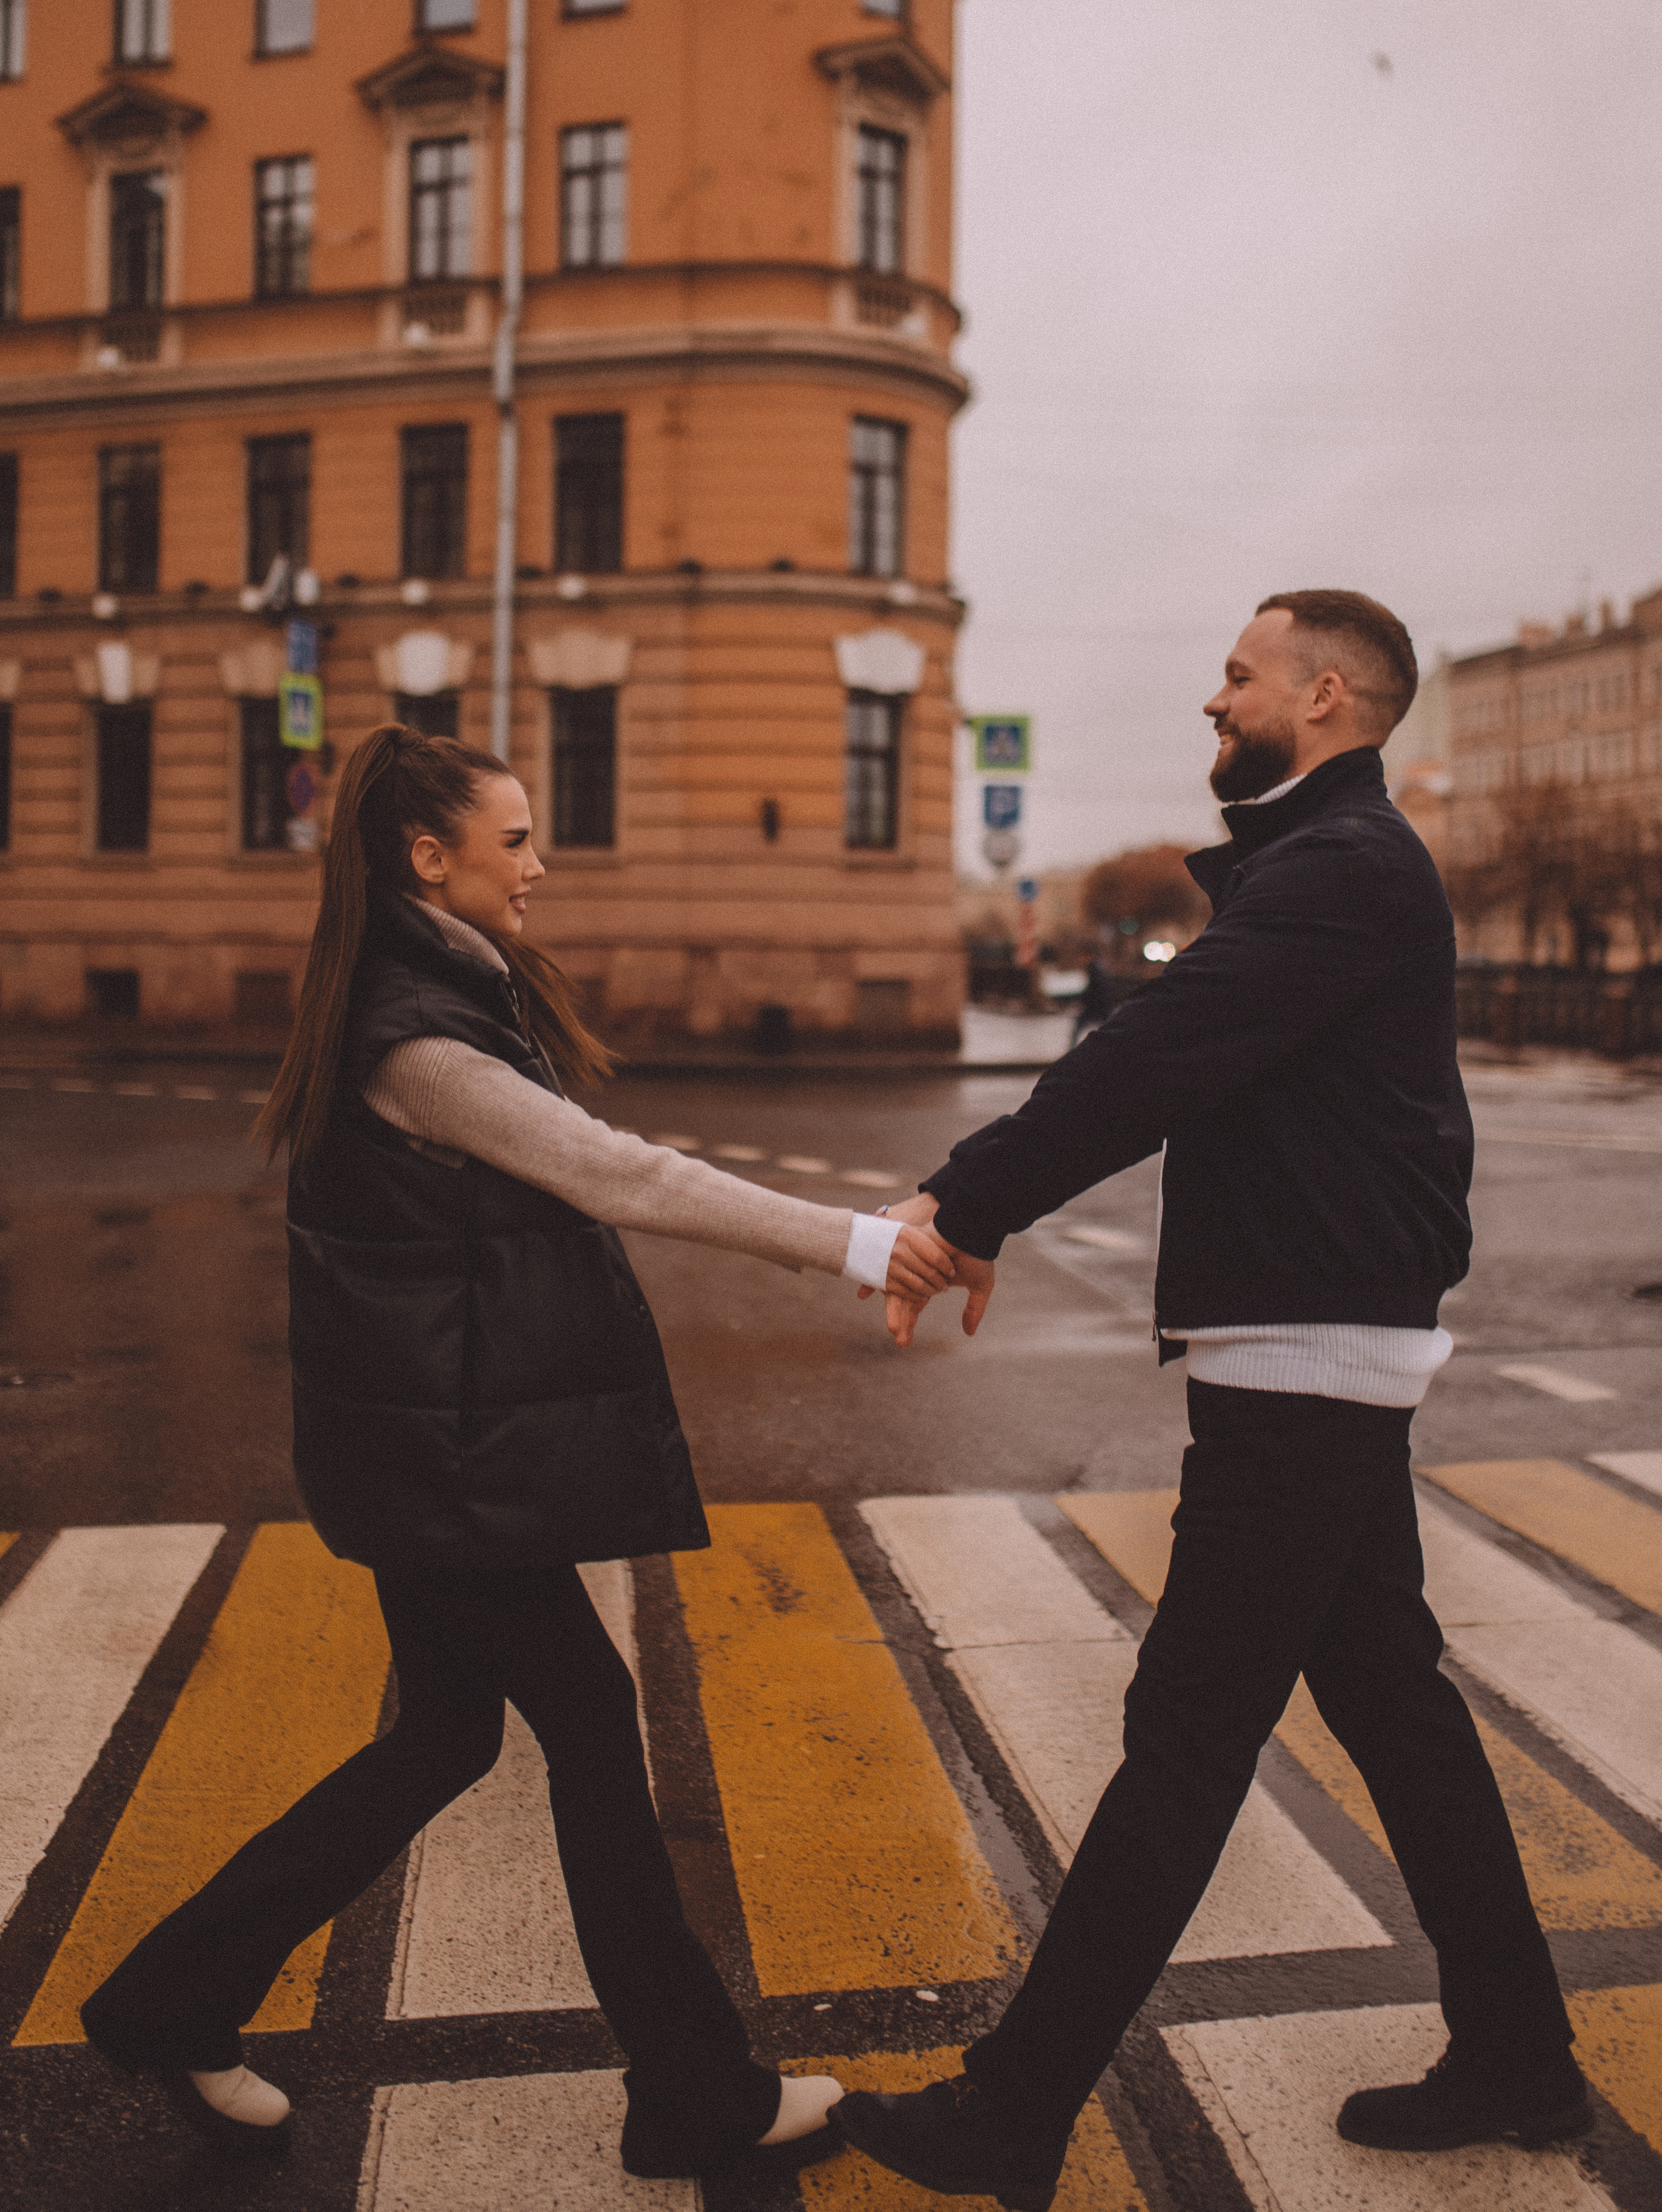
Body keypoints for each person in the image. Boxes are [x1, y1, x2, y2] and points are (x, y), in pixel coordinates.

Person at [80, 724, 953, 2171]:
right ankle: (694, 2095)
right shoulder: (415, 1033)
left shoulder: (435, 992)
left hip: (431, 1450)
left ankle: (170, 1997)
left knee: (441, 1734)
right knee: (591, 1736)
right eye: (516, 840)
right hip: (446, 1464)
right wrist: (863, 1243)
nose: (538, 866)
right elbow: (619, 1175)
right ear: (431, 856)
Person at [834, 591, 1589, 2210]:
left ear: (1322, 695)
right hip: (1313, 1345)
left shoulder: (1341, 871)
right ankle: (1519, 2053)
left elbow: (1153, 1052)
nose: (1211, 700)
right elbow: (1181, 1055)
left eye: (1238, 676)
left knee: (1182, 1737)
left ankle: (1011, 2108)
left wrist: (963, 1204)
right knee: (1392, 1702)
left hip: (1305, 1359)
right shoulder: (1328, 865)